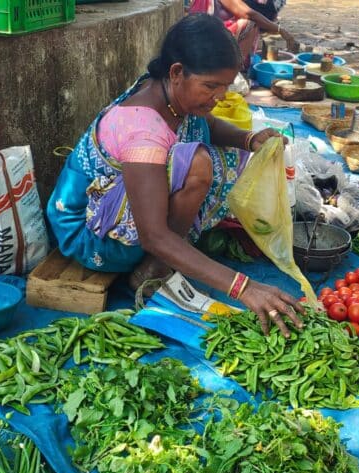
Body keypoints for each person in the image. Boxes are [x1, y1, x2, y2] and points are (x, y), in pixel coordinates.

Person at [47, 14, 303, 335]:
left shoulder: (171, 94)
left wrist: (249, 139)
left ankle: (168, 252)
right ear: (177, 72)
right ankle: (153, 267)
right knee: (197, 163)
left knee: (218, 154)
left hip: (125, 204)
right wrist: (243, 286)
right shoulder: (143, 128)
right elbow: (153, 233)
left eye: (224, 87)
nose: (219, 96)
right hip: (90, 236)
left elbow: (205, 124)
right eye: (211, 86)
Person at [187, 0, 296, 72]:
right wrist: (280, 30)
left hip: (208, 36)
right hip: (203, 41)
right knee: (250, 23)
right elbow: (249, 14)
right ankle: (233, 72)